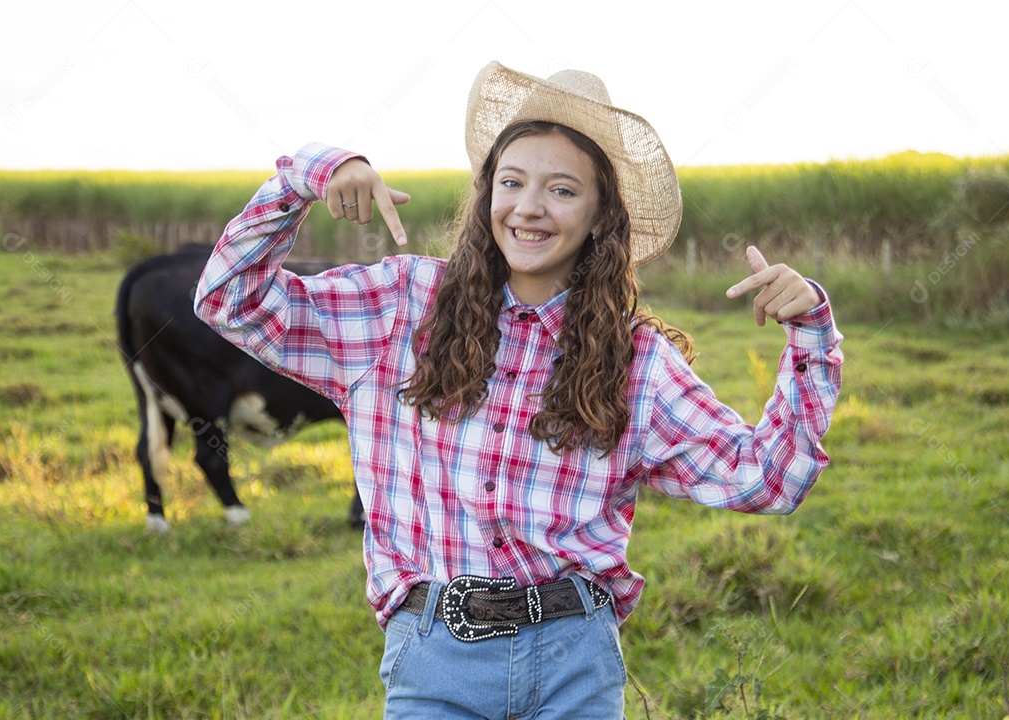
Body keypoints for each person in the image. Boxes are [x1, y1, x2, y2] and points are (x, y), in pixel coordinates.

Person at [195, 61, 843, 719]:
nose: (528, 207)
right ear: (488, 195)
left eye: (562, 190)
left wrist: (811, 335)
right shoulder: (402, 305)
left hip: (574, 665)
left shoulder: (636, 360)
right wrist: (312, 173)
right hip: (434, 661)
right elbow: (229, 298)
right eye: (511, 182)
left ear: (600, 215)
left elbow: (769, 479)